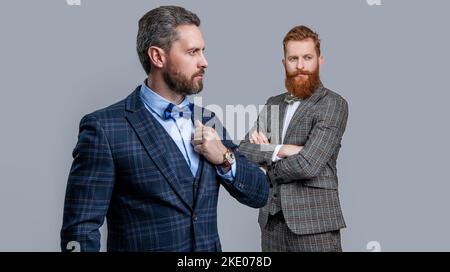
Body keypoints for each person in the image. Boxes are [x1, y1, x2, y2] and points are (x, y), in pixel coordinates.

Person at [60, 5, 269, 252]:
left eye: (203, 51)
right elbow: (80, 231)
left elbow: (258, 193)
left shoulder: (207, 119)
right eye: (192, 52)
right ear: (158, 57)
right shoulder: (104, 129)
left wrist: (224, 158)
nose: (204, 62)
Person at [239, 25, 348, 252]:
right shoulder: (273, 103)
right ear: (284, 63)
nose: (300, 66)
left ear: (320, 60)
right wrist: (282, 149)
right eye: (293, 58)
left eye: (307, 58)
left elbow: (308, 165)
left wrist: (266, 158)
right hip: (271, 224)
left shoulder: (333, 104)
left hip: (314, 223)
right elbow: (243, 150)